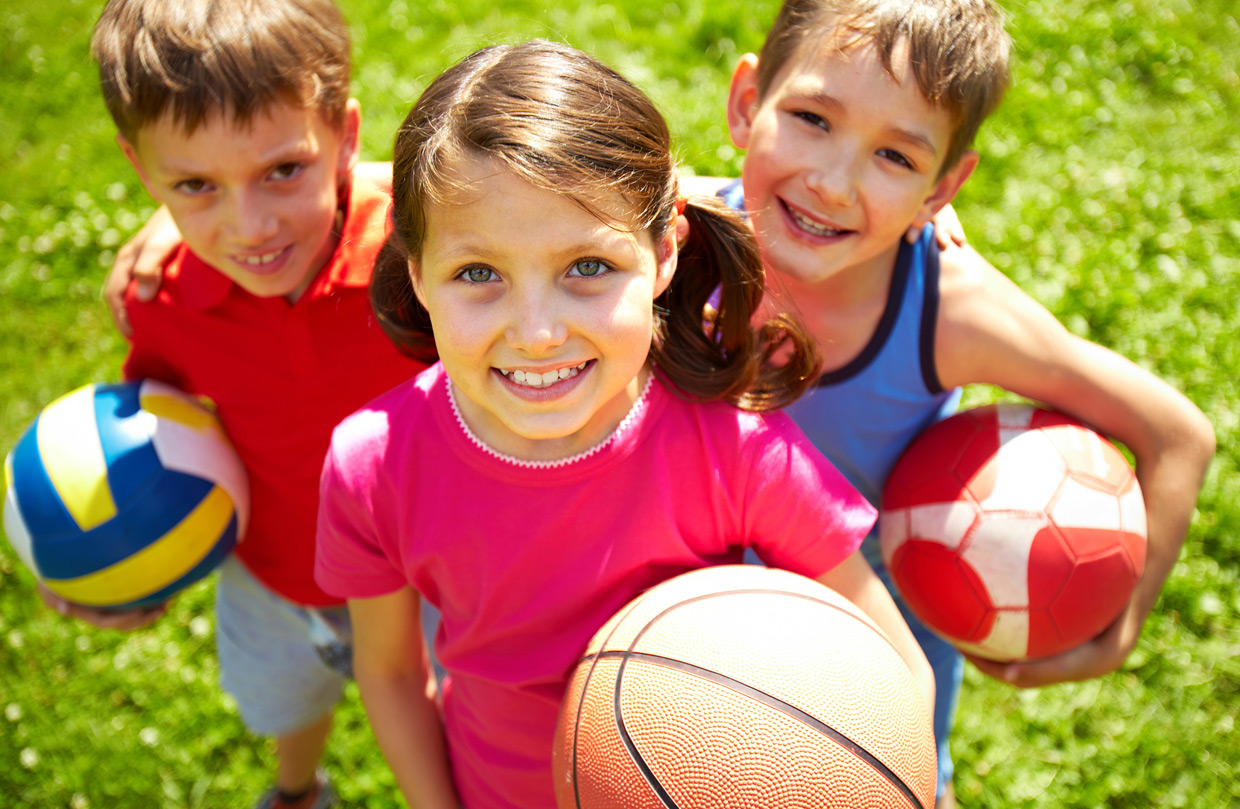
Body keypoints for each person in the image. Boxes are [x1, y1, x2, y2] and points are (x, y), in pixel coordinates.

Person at [313, 39, 936, 809]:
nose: (537, 333)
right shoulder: (373, 466)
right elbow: (391, 672)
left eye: (587, 267)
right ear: (417, 274)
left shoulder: (735, 447)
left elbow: (897, 660)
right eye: (478, 273)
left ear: (664, 251)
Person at [708, 0, 1216, 805]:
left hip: (876, 642)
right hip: (686, 621)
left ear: (943, 188)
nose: (832, 182)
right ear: (747, 103)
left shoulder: (947, 310)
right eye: (812, 118)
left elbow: (1177, 433)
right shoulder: (669, 245)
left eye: (895, 157)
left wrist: (1119, 629)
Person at [49, 2, 431, 807]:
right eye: (195, 185)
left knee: (446, 725)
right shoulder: (162, 300)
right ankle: (298, 789)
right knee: (287, 703)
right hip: (271, 575)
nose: (250, 226)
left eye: (283, 170)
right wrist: (125, 564)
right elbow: (167, 444)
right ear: (141, 170)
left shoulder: (426, 254)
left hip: (432, 572)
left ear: (346, 136)